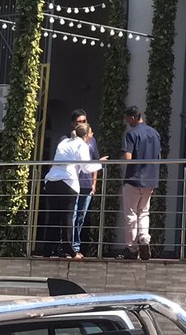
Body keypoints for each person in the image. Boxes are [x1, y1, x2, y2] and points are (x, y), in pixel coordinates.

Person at [43, 122, 100, 258]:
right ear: (86, 136)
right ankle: (70, 250)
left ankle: (47, 249)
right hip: (68, 183)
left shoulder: (65, 142)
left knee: (53, 217)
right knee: (68, 217)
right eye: (91, 133)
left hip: (51, 181)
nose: (92, 136)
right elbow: (86, 168)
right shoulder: (82, 145)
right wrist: (100, 164)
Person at [118, 106, 161, 260]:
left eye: (127, 119)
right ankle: (144, 238)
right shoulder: (155, 134)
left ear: (133, 117)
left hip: (134, 178)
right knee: (144, 212)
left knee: (130, 213)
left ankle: (131, 248)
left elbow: (128, 158)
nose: (127, 122)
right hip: (150, 179)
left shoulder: (132, 134)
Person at [70, 108, 107, 259]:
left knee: (81, 218)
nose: (82, 124)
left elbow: (95, 162)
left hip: (86, 185)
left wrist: (94, 184)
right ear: (73, 123)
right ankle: (71, 246)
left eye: (84, 121)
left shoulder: (91, 141)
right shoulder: (69, 140)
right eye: (79, 122)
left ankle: (77, 246)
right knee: (71, 217)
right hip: (73, 184)